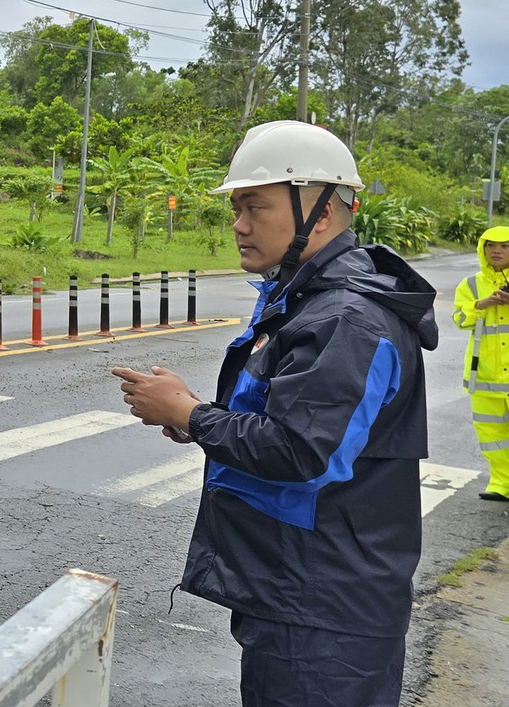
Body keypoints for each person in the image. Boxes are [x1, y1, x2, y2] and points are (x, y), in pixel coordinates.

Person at [111, 120, 437, 707]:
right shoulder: (310, 300)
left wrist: (191, 416)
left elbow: (301, 452)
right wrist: (201, 418)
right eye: (236, 208)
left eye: (254, 206)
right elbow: (296, 418)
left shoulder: (347, 319)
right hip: (302, 592)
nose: (239, 225)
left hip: (324, 610)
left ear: (323, 211)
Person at [454, 225, 509, 500]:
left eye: (504, 246)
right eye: (491, 245)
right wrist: (480, 304)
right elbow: (459, 320)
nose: (496, 251)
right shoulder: (471, 285)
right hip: (485, 375)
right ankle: (501, 484)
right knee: (492, 436)